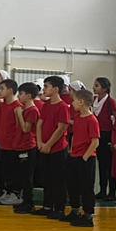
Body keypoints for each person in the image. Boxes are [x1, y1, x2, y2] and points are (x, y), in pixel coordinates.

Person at [33, 76, 70, 219]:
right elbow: (39, 124)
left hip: (58, 149)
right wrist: (40, 142)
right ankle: (47, 206)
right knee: (46, 178)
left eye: (46, 86)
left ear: (55, 89)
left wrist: (48, 144)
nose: (44, 89)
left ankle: (59, 208)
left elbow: (61, 128)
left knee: (58, 180)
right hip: (44, 147)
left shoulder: (63, 107)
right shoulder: (46, 105)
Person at [65, 87, 100, 228]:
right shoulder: (78, 118)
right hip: (75, 155)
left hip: (86, 158)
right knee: (73, 185)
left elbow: (95, 142)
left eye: (74, 101)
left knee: (86, 187)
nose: (72, 103)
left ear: (81, 102)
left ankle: (88, 214)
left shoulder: (92, 120)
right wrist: (72, 150)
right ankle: (75, 210)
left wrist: (85, 157)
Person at [10, 81, 40, 212]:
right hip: (21, 145)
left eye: (21, 94)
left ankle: (29, 203)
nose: (18, 96)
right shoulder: (24, 109)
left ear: (28, 95)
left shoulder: (32, 110)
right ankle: (24, 200)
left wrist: (19, 114)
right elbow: (19, 126)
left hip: (28, 146)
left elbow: (26, 129)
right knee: (21, 176)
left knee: (27, 177)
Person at [91, 78, 116, 201]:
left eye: (97, 85)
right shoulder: (94, 100)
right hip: (98, 134)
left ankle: (112, 192)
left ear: (105, 89)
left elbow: (115, 120)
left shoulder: (110, 102)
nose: (94, 87)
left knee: (109, 165)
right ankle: (102, 190)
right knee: (101, 164)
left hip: (107, 134)